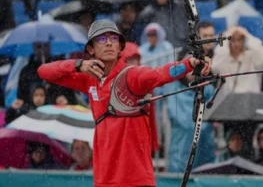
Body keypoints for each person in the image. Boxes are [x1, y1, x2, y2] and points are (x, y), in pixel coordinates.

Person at [37, 19, 211, 187]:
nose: (109, 43)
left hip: (136, 178)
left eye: (114, 38)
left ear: (120, 46)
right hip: (104, 177)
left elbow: (161, 74)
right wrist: (78, 65)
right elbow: (44, 72)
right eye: (101, 39)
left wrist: (190, 64)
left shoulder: (133, 75)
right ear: (90, 49)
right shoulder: (89, 78)